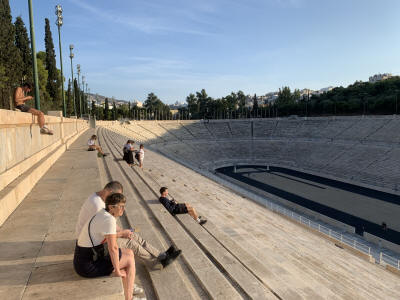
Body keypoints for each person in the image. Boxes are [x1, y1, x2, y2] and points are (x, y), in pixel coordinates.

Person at [75, 181, 181, 271]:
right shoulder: (97, 205)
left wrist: (123, 232)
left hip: (96, 237)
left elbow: (107, 226)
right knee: (130, 243)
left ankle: (161, 255)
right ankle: (154, 263)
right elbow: (108, 237)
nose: (117, 199)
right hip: (93, 245)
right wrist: (121, 233)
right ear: (109, 192)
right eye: (116, 198)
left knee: (132, 235)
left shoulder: (99, 199)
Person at [74, 193, 136, 300]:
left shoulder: (103, 213)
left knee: (129, 252)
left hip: (84, 257)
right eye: (121, 206)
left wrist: (121, 234)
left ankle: (129, 287)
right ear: (111, 207)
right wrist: (117, 271)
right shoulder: (109, 220)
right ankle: (129, 297)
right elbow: (113, 248)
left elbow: (108, 236)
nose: (123, 209)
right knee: (129, 260)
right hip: (87, 265)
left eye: (124, 206)